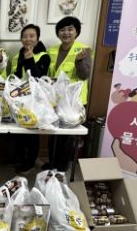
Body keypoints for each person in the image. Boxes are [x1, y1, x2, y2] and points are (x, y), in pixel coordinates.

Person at [46, 16, 92, 172]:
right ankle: (52, 163)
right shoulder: (52, 50)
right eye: (62, 29)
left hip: (74, 101)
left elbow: (84, 75)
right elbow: (50, 73)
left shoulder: (84, 50)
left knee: (68, 136)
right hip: (56, 98)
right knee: (54, 132)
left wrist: (79, 62)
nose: (66, 33)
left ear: (77, 31)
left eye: (70, 29)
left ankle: (61, 167)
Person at [10, 24, 50, 174]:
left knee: (32, 131)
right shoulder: (17, 55)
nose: (28, 39)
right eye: (25, 36)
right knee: (19, 131)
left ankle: (30, 162)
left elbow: (39, 77)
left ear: (37, 38)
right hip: (19, 98)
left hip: (34, 99)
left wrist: (30, 60)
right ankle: (20, 159)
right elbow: (15, 76)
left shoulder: (43, 56)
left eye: (32, 36)